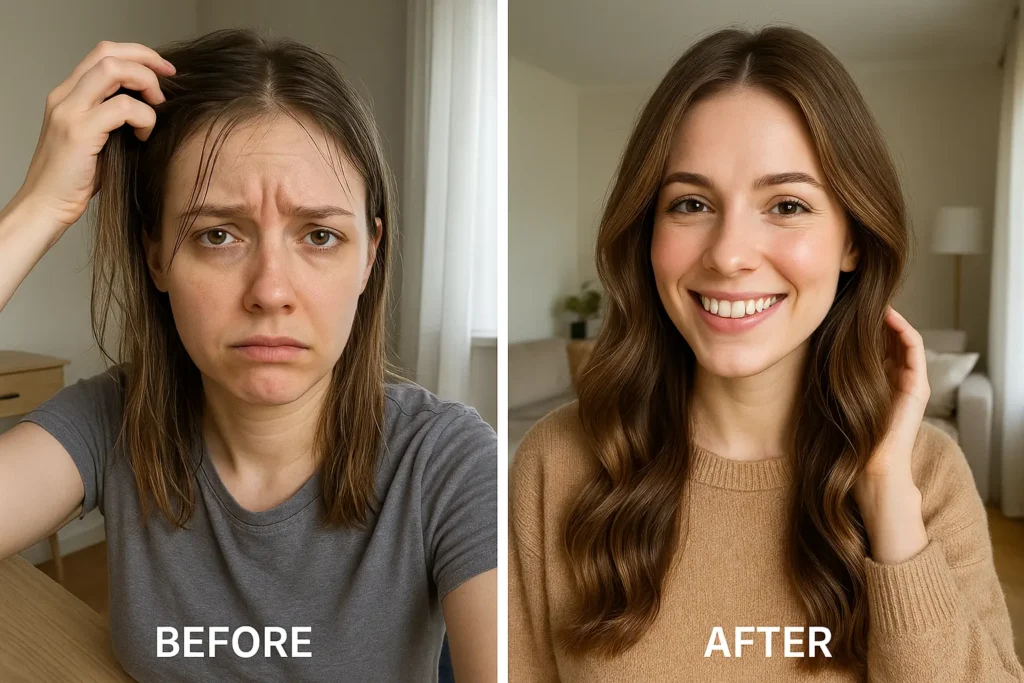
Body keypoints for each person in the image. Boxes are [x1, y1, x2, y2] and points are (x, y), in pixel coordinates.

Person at [509, 25, 1023, 682]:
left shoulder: (927, 475)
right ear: (647, 232)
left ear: (853, 240)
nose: (728, 253)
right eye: (691, 203)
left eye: (786, 204)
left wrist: (886, 494)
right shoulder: (556, 464)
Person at [0, 29, 497, 682]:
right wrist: (37, 209)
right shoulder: (113, 420)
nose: (270, 291)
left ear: (369, 255)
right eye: (217, 234)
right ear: (156, 255)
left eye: (319, 235)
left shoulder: (447, 460)